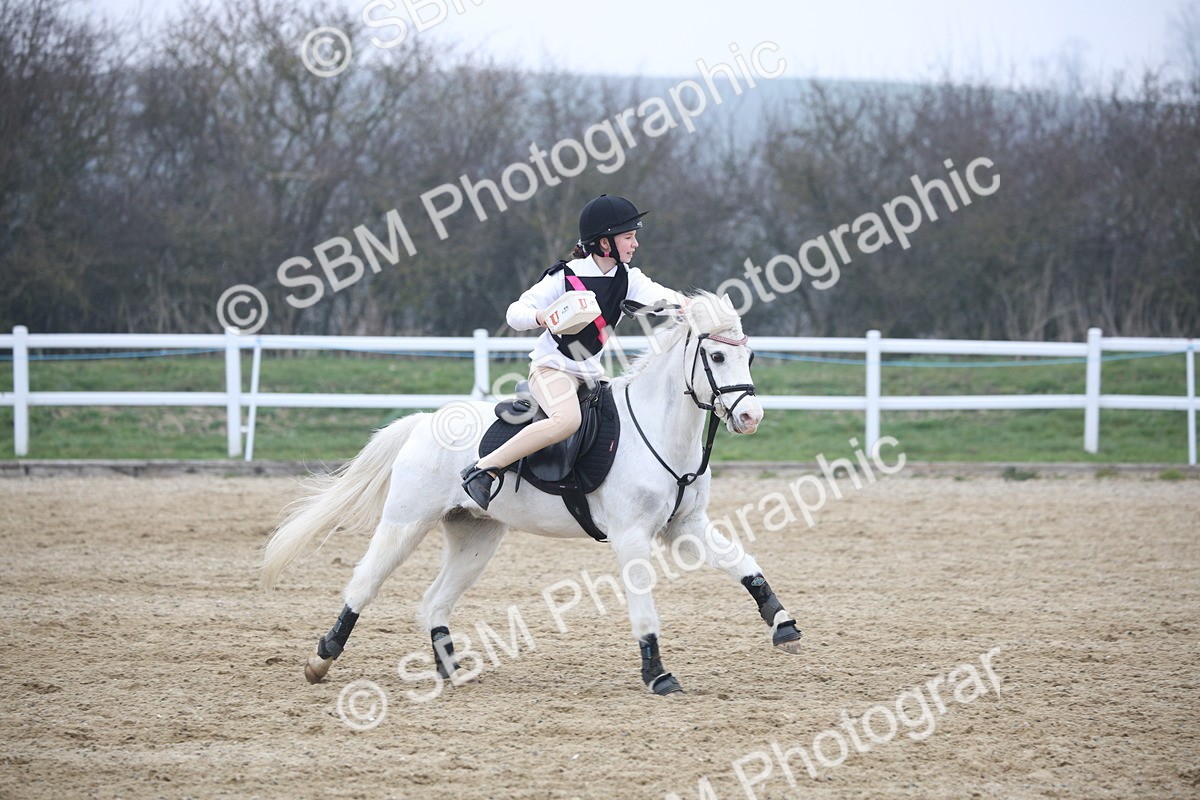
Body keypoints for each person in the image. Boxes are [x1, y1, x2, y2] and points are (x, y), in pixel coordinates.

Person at [460, 194, 686, 510]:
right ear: (605, 243)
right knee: (565, 421)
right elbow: (515, 313)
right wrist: (541, 316)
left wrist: (694, 306)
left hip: (592, 375)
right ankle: (484, 469)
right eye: (628, 237)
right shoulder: (563, 276)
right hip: (551, 370)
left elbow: (663, 298)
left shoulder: (629, 278)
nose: (635, 244)